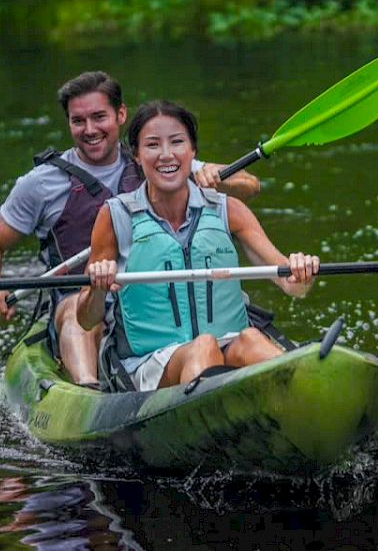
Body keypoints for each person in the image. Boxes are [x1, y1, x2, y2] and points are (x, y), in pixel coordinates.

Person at [0, 71, 260, 386]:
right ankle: (87, 392)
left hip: (151, 299)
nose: (90, 130)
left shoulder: (157, 159)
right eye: (78, 121)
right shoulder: (40, 184)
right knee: (73, 311)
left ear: (120, 114)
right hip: (87, 297)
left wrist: (217, 178)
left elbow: (249, 186)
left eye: (99, 117)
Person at [77, 100, 319, 391]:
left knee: (252, 339)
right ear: (137, 156)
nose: (166, 155)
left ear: (193, 152)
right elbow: (87, 319)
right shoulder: (115, 216)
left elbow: (293, 287)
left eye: (177, 142)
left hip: (228, 347)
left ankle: (306, 390)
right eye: (152, 145)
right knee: (202, 346)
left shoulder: (228, 209)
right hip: (150, 363)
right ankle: (214, 417)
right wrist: (97, 287)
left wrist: (301, 271)